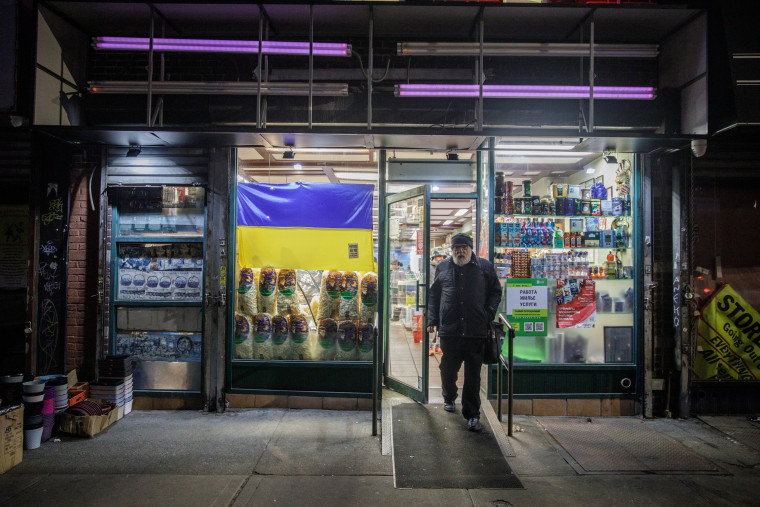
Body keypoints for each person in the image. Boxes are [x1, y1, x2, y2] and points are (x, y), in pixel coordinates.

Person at [426, 233, 502, 432]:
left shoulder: (484, 267)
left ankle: (472, 414)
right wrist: (433, 320)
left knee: (472, 376)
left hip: (475, 331)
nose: (460, 251)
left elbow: (496, 291)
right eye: (456, 247)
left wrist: (488, 314)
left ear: (470, 249)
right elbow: (434, 296)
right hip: (450, 331)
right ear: (451, 250)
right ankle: (449, 396)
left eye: (464, 247)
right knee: (447, 370)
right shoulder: (443, 267)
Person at [428, 247, 447, 355]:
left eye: (442, 256)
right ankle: (430, 346)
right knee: (431, 325)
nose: (440, 258)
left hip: (443, 299)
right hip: (433, 300)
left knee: (441, 324)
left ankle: (439, 346)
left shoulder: (446, 266)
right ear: (434, 257)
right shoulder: (429, 267)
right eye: (438, 256)